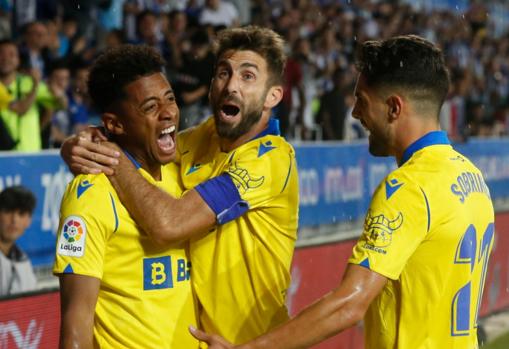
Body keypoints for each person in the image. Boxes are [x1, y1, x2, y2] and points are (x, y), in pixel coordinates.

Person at [190, 35, 496, 348]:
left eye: (362, 101)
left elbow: (349, 303)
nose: (354, 114)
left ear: (393, 107)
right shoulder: (471, 177)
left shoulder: (409, 188)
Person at [61, 26, 299, 345]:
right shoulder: (194, 144)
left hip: (252, 342)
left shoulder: (269, 160)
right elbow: (141, 143)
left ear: (274, 95)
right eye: (223, 73)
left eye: (248, 76)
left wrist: (110, 153)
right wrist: (82, 143)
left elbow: (169, 222)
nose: (231, 86)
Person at [53, 45, 198, 348]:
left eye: (170, 98)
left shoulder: (185, 171)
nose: (169, 112)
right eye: (150, 107)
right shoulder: (89, 195)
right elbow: (76, 326)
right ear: (114, 123)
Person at [0, 185, 37, 296]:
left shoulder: (23, 262)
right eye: (8, 211)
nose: (14, 220)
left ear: (29, 221)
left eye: (21, 214)